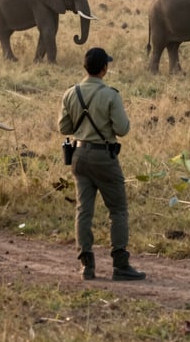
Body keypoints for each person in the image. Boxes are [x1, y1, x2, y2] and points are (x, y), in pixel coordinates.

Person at [58, 47, 146, 282]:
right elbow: (123, 129)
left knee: (83, 210)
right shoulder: (110, 95)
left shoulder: (71, 93)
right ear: (104, 69)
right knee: (117, 210)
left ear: (85, 67)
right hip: (104, 157)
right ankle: (120, 263)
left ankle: (87, 265)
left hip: (79, 156)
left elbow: (64, 128)